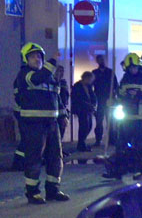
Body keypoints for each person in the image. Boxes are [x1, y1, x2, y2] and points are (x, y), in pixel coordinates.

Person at [13, 43, 69, 204]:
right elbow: (37, 79)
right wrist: (52, 61)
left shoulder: (49, 78)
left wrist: (63, 116)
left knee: (55, 157)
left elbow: (56, 99)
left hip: (51, 124)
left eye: (39, 56)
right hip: (33, 124)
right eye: (33, 56)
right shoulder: (25, 75)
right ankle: (32, 192)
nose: (37, 59)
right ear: (26, 59)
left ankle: (53, 190)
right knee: (34, 158)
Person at [102, 53, 142, 179]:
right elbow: (120, 95)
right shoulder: (125, 79)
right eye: (130, 68)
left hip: (141, 119)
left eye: (134, 67)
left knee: (140, 146)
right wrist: (115, 101)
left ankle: (141, 171)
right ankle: (118, 171)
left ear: (139, 66)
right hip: (126, 118)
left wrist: (140, 97)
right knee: (120, 145)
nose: (133, 70)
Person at [91, 53, 118, 147]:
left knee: (111, 121)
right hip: (99, 100)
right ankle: (98, 140)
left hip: (109, 100)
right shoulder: (94, 73)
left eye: (102, 59)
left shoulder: (110, 72)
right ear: (97, 61)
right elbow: (91, 86)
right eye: (99, 60)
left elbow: (116, 86)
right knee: (99, 122)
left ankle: (112, 140)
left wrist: (115, 99)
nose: (101, 61)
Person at [71, 71, 96, 152]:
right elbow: (76, 98)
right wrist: (88, 105)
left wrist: (94, 105)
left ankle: (82, 142)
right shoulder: (77, 86)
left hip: (88, 109)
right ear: (86, 78)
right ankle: (81, 144)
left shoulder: (89, 86)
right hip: (81, 109)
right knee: (84, 126)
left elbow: (93, 96)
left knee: (89, 126)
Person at [50, 61, 70, 155]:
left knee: (61, 132)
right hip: (54, 111)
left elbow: (65, 96)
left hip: (62, 110)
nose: (60, 73)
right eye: (58, 71)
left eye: (62, 71)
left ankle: (59, 150)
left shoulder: (63, 82)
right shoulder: (51, 82)